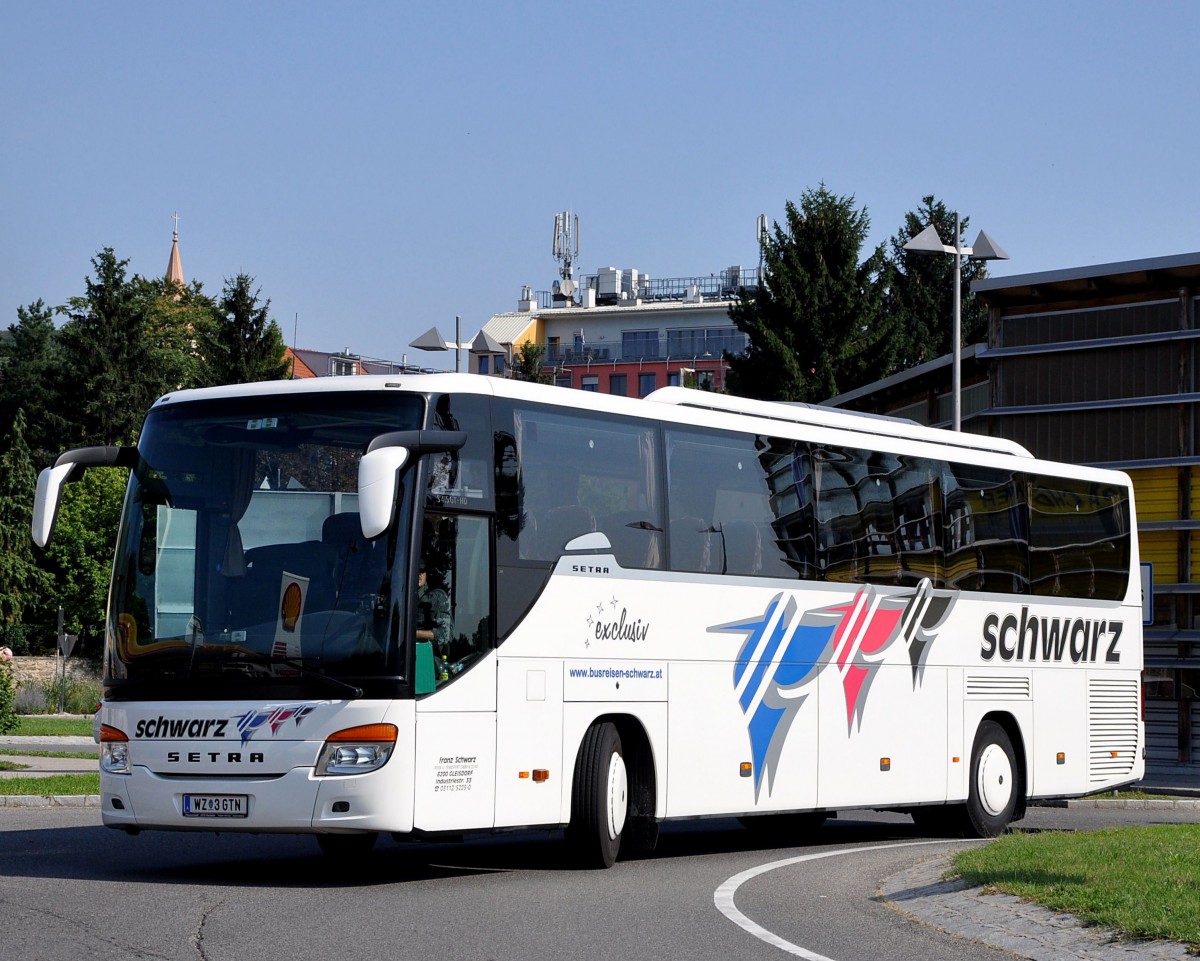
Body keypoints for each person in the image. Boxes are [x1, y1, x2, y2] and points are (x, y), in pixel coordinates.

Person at [415, 561, 452, 660]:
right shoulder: (401, 598)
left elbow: (444, 635)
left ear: (426, 574)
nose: (418, 575)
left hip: (430, 659)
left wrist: (412, 633)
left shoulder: (436, 597)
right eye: (416, 570)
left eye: (422, 571)